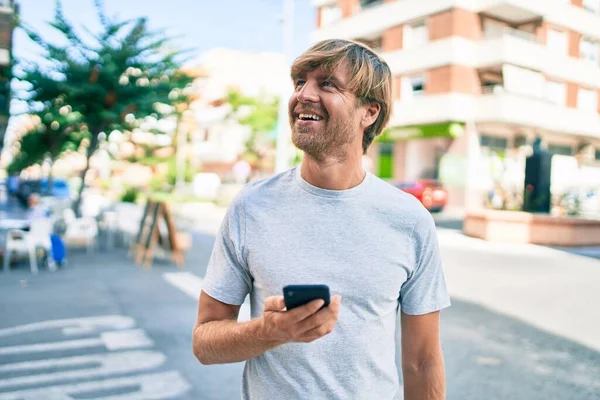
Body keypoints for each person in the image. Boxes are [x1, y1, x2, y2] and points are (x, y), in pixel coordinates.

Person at [192, 39, 451, 400]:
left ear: (369, 112)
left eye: (327, 84)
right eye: (300, 82)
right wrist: (272, 331)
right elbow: (205, 342)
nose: (303, 95)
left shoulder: (410, 220)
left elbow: (422, 362)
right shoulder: (251, 206)